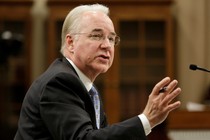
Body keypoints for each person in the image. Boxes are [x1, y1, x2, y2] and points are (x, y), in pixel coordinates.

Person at [14, 4, 181, 140]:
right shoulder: (59, 81)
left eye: (111, 38)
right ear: (71, 43)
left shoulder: (89, 88)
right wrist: (147, 120)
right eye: (96, 36)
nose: (107, 45)